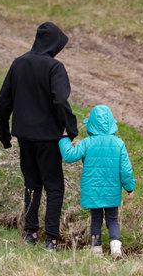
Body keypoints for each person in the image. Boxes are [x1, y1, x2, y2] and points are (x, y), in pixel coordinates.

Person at [0, 22, 78, 251]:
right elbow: (60, 101)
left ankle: (30, 233)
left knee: (32, 184)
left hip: (24, 136)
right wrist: (71, 129)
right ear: (54, 44)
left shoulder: (18, 64)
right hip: (49, 138)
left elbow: (3, 102)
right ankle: (51, 239)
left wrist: (4, 135)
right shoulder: (55, 67)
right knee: (54, 187)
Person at [58, 105, 135, 258]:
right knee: (112, 219)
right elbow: (125, 170)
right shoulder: (118, 144)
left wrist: (64, 138)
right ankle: (116, 250)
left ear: (91, 124)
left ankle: (96, 251)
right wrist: (129, 188)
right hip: (112, 190)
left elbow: (69, 155)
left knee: (96, 220)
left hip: (93, 191)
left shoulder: (87, 143)